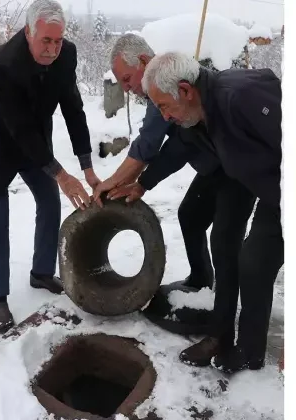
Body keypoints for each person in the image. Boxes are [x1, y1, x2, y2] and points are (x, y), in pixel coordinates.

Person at [112, 52, 283, 373]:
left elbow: (293, 140)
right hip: (246, 177)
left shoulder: (241, 99)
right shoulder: (194, 113)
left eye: (164, 106)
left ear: (186, 90)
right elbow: (177, 148)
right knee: (220, 238)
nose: (163, 115)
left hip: (287, 187)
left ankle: (246, 350)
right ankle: (222, 335)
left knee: (251, 260)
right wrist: (143, 183)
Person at [0, 0, 100, 334]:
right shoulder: (3, 66)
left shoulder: (66, 55)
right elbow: (18, 129)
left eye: (58, 41)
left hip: (34, 141)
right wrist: (60, 173)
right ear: (28, 32)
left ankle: (41, 273)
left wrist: (85, 167)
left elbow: (73, 108)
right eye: (46, 41)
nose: (53, 49)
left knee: (49, 198)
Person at [92, 33, 255, 291]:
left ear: (144, 61)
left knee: (224, 239)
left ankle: (225, 309)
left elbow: (147, 146)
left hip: (235, 168)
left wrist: (112, 182)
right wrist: (143, 183)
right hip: (212, 167)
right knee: (190, 215)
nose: (125, 88)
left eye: (127, 79)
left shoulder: (164, 86)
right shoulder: (156, 95)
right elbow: (178, 147)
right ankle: (201, 282)